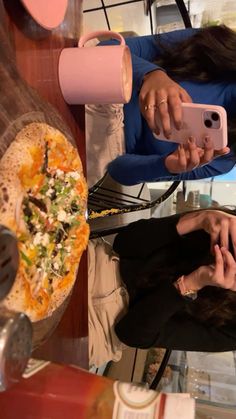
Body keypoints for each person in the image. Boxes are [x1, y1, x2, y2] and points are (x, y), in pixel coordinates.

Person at [88, 208, 236, 368]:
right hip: (102, 264)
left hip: (105, 327)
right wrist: (198, 220)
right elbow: (124, 243)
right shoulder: (227, 226)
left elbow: (131, 334)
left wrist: (192, 283)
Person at [93, 25, 236, 186]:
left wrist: (165, 165)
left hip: (96, 148)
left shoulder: (223, 159)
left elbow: (116, 171)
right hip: (92, 81)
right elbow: (103, 50)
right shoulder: (216, 46)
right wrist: (152, 74)